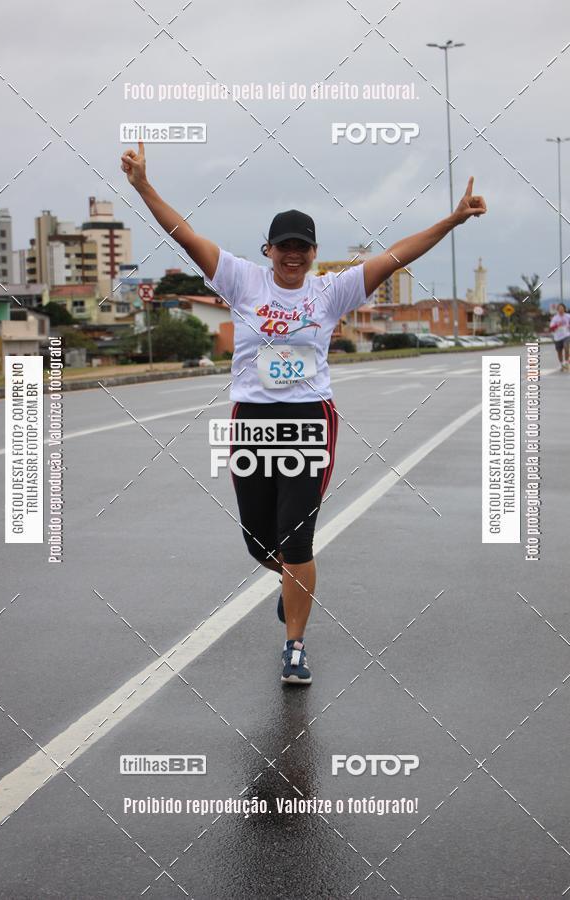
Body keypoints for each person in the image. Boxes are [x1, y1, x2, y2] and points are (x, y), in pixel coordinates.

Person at [121, 141, 487, 685]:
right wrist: (144, 187)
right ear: (268, 250)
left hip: (309, 420)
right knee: (258, 542)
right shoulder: (242, 279)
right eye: (284, 247)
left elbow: (397, 255)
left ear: (314, 253)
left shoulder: (331, 292)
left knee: (296, 540)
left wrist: (453, 220)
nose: (293, 256)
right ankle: (293, 581)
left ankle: (294, 643)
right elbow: (184, 234)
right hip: (251, 420)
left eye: (303, 248)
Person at [548, 303, 570, 371]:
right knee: (559, 351)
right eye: (560, 309)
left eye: (562, 309)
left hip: (566, 335)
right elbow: (551, 328)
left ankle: (566, 362)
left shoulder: (568, 316)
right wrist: (557, 325)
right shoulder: (555, 318)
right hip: (557, 337)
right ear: (557, 310)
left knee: (566, 347)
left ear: (564, 309)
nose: (561, 310)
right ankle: (561, 364)